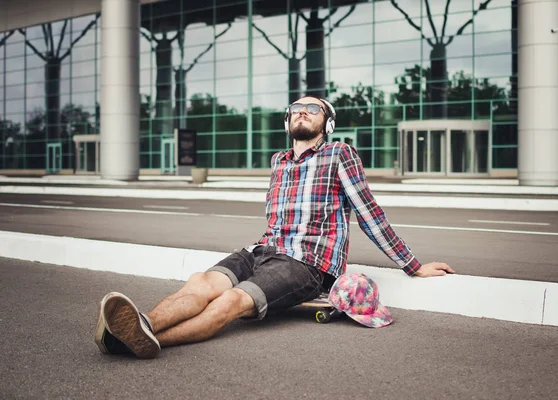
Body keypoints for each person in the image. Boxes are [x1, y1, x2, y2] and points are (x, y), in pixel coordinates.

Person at [94, 96, 454, 359]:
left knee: (231, 301)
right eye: (296, 108)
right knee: (200, 284)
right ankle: (140, 325)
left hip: (306, 264)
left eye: (313, 108)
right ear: (287, 123)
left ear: (326, 124)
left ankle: (142, 336)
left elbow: (369, 214)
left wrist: (413, 265)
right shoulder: (278, 162)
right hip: (263, 251)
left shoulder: (339, 154)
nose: (302, 111)